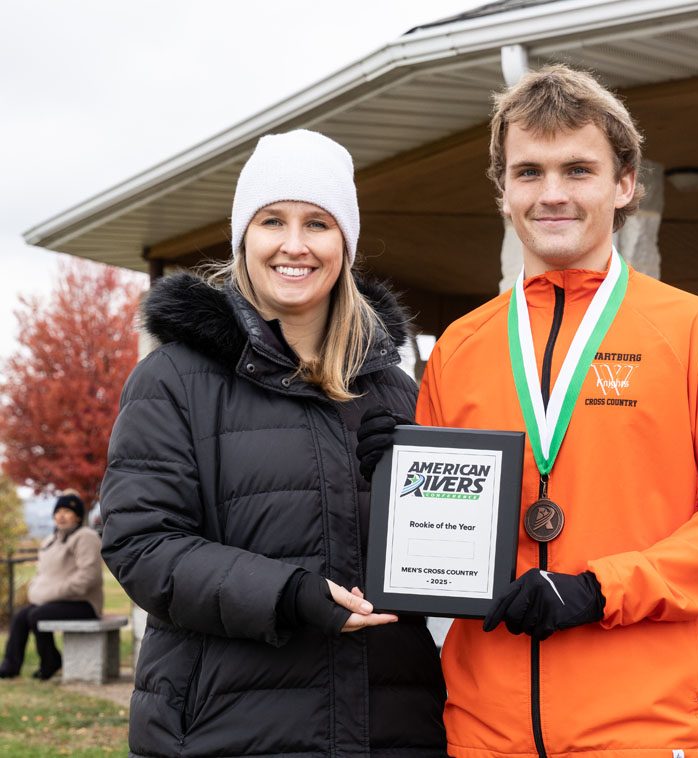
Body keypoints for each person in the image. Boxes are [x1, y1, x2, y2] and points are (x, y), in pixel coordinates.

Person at [358, 65, 698, 758]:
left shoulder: (690, 331)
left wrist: (601, 589)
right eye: (528, 172)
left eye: (577, 170)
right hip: (481, 732)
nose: (552, 193)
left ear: (623, 185)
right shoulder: (461, 347)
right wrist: (392, 479)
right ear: (502, 192)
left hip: (640, 731)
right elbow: (436, 540)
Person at [100, 130, 447, 757]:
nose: (295, 244)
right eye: (272, 221)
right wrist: (288, 595)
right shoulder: (175, 378)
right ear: (243, 239)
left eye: (318, 223)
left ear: (345, 243)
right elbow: (142, 543)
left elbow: (440, 567)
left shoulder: (396, 390)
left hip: (391, 726)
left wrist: (426, 480)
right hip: (224, 730)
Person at [0, 491, 102, 680]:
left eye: (67, 511)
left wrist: (49, 594)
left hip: (83, 604)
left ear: (78, 516)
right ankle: (9, 667)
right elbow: (42, 574)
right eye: (58, 511)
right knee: (21, 616)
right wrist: (37, 591)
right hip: (54, 602)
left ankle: (50, 661)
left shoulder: (86, 537)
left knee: (36, 615)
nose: (61, 515)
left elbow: (89, 577)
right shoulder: (50, 540)